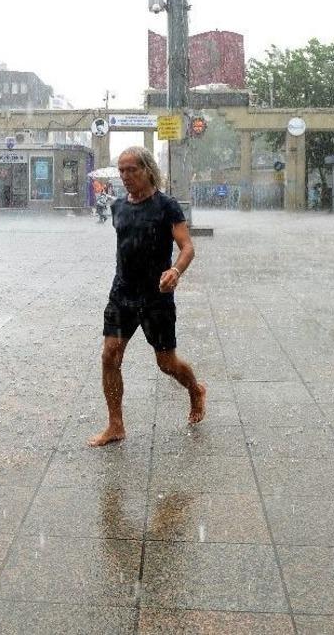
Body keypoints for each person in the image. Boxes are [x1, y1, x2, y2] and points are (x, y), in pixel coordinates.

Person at [89, 146, 206, 447]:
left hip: (157, 296)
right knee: (109, 355)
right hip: (122, 293)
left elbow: (187, 247)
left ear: (148, 170)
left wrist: (176, 272)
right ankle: (115, 425)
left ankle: (195, 389)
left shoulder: (166, 206)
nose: (126, 176)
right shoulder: (118, 207)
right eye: (122, 170)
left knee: (166, 363)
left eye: (132, 170)